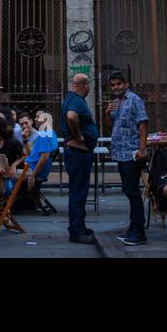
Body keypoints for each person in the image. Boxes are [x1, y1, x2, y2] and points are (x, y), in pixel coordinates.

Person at [107, 71, 149, 246]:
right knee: (129, 191)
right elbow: (113, 124)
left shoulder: (135, 100)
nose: (116, 87)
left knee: (132, 192)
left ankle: (139, 232)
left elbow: (143, 123)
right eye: (113, 85)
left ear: (126, 84)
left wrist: (142, 148)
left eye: (118, 84)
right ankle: (133, 227)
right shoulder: (117, 102)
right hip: (120, 152)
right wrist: (107, 112)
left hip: (132, 153)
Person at [60, 73, 98, 244]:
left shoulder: (71, 98)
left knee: (79, 192)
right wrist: (80, 137)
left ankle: (80, 226)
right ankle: (76, 231)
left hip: (78, 154)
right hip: (78, 153)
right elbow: (71, 116)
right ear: (85, 85)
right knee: (78, 193)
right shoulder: (75, 100)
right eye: (88, 84)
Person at [25, 111, 59, 195]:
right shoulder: (51, 133)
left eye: (38, 117)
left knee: (8, 174)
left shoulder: (44, 134)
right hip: (33, 167)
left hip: (31, 169)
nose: (35, 119)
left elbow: (44, 157)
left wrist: (33, 175)